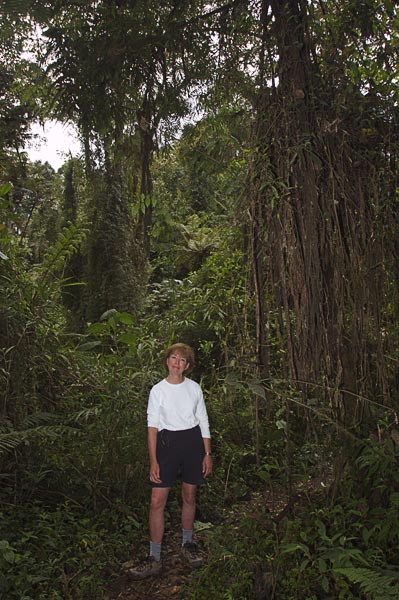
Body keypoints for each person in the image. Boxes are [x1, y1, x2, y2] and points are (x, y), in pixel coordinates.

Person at [127, 342, 212, 579]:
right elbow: (152, 427)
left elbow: (203, 421)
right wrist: (153, 460)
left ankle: (188, 544)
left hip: (193, 443)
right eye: (174, 358)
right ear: (167, 361)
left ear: (187, 366)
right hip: (167, 445)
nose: (177, 363)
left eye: (182, 360)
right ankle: (154, 556)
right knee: (156, 501)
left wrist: (207, 453)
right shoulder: (158, 390)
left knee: (189, 495)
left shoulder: (194, 389)